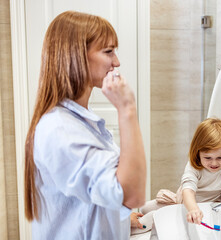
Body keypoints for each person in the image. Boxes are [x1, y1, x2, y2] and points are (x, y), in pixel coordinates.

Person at [24, 11, 146, 239]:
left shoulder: (80, 122)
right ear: (77, 56)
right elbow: (130, 194)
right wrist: (127, 109)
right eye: (108, 51)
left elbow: (94, 193)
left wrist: (117, 215)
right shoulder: (59, 129)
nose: (117, 62)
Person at [180, 118, 221, 224]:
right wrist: (193, 209)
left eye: (220, 157)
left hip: (208, 207)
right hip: (188, 204)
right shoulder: (194, 166)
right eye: (208, 158)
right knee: (149, 212)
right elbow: (188, 190)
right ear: (198, 153)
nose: (214, 164)